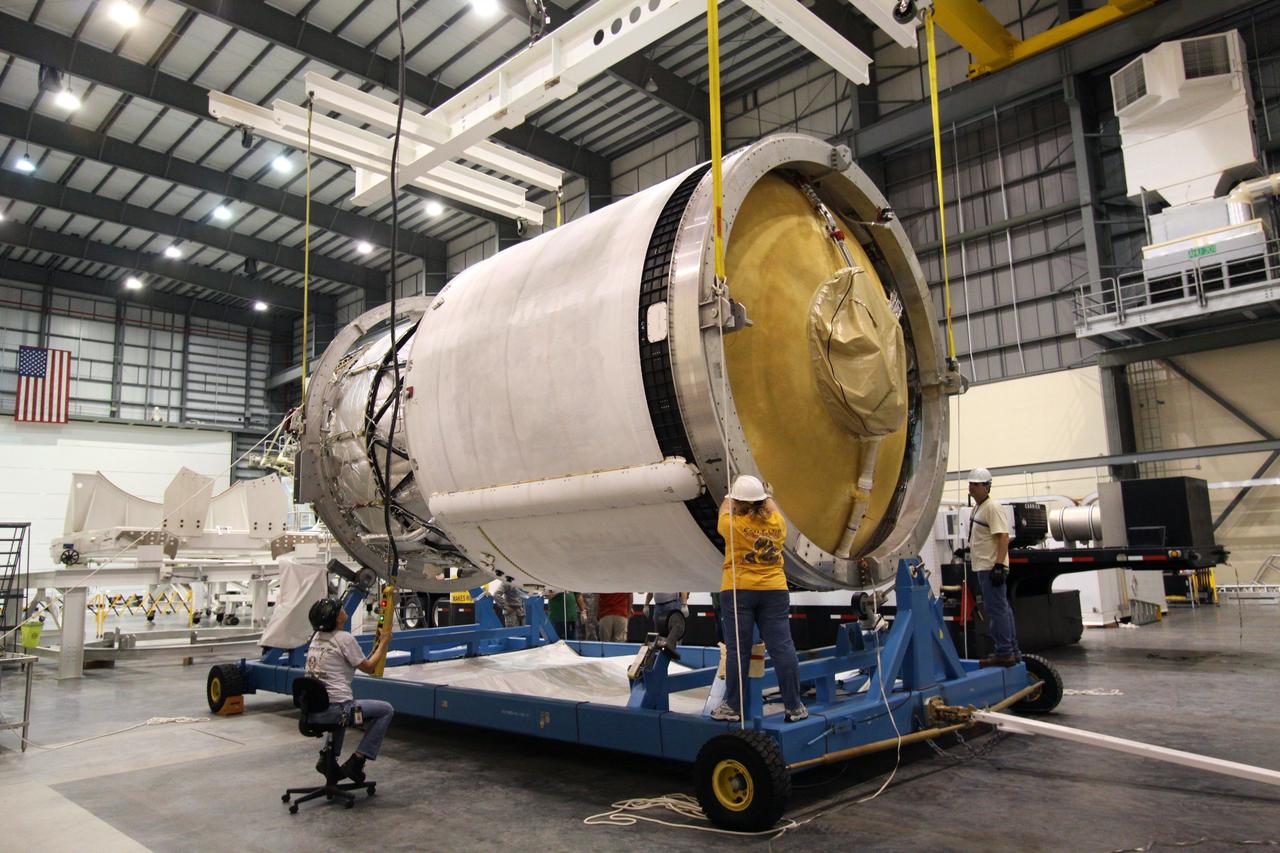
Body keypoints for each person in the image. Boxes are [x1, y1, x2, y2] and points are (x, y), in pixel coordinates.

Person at [710, 475, 806, 723]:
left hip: (738, 590)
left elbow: (724, 507)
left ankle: (733, 706)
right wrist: (767, 495)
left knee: (737, 651)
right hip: (774, 590)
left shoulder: (732, 525)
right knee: (782, 648)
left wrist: (729, 495)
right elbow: (771, 505)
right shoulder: (777, 523)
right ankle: (794, 707)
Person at [303, 598, 395, 783]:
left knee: (341, 708)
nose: (344, 610)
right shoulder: (344, 639)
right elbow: (368, 667)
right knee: (385, 710)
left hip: (313, 712)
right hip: (337, 710)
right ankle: (358, 760)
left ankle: (327, 758)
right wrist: (383, 642)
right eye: (340, 609)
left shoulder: (316, 638)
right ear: (337, 619)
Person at [966, 468, 1021, 667]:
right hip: (984, 565)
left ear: (987, 486)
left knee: (997, 610)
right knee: (1001, 609)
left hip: (990, 567)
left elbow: (1003, 536)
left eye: (976, 484)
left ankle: (1005, 651)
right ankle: (1011, 651)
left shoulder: (992, 507)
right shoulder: (978, 507)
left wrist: (998, 565)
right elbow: (983, 536)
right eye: (970, 484)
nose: (971, 488)